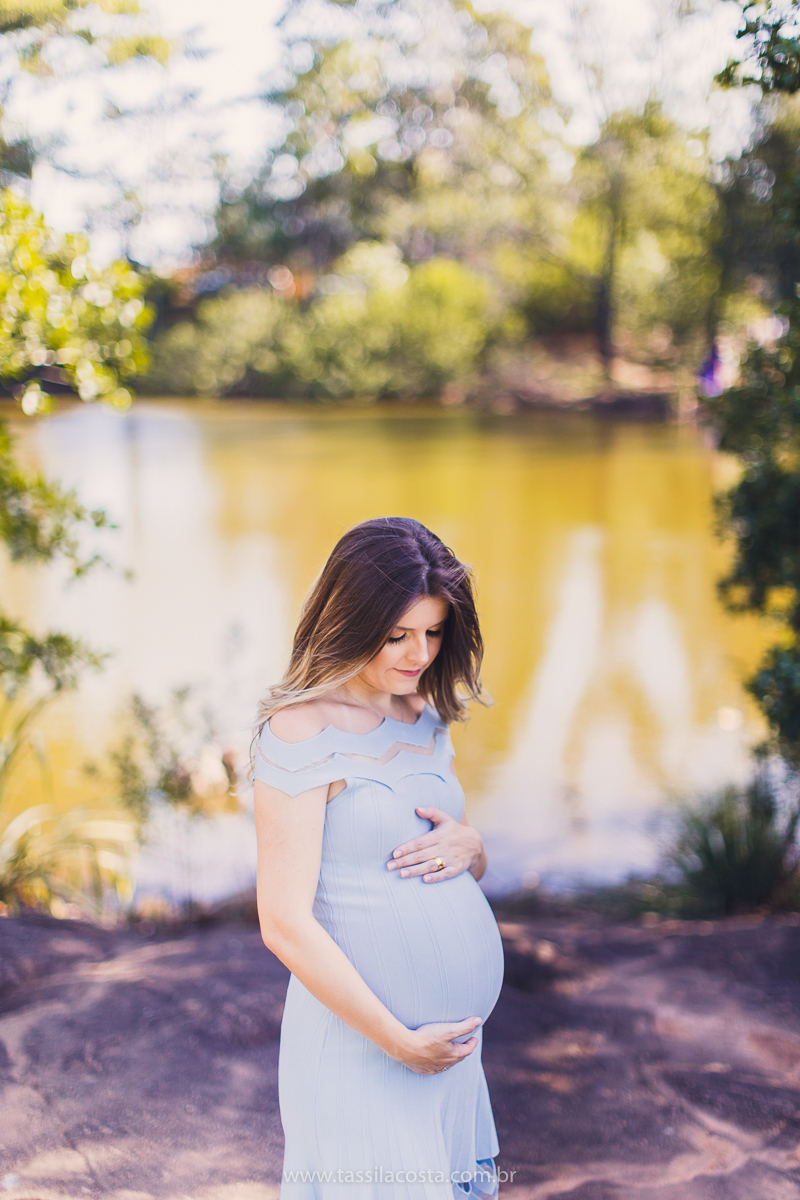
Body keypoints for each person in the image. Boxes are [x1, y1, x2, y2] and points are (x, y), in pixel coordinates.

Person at [253, 517, 505, 1200]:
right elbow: (283, 922)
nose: (417, 652)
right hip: (364, 1052)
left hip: (449, 1056)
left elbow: (437, 857)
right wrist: (398, 1041)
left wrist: (474, 847)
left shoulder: (424, 714)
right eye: (396, 635)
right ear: (350, 619)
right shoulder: (300, 729)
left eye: (432, 631)